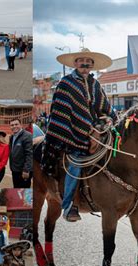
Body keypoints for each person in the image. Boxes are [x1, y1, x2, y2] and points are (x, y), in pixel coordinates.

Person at [42, 48, 117, 222]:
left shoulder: (95, 84)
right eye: (81, 60)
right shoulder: (65, 84)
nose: (85, 64)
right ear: (75, 64)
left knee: (113, 155)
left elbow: (106, 110)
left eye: (88, 61)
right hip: (71, 135)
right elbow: (60, 113)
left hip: (96, 133)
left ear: (92, 65)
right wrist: (85, 131)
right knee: (75, 163)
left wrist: (98, 129)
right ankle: (69, 206)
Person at [9, 119, 33, 188]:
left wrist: (26, 170)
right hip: (15, 169)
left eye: (16, 124)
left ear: (21, 125)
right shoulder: (12, 137)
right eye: (12, 125)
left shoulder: (27, 136)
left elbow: (29, 154)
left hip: (23, 170)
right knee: (16, 188)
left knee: (24, 191)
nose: (14, 126)